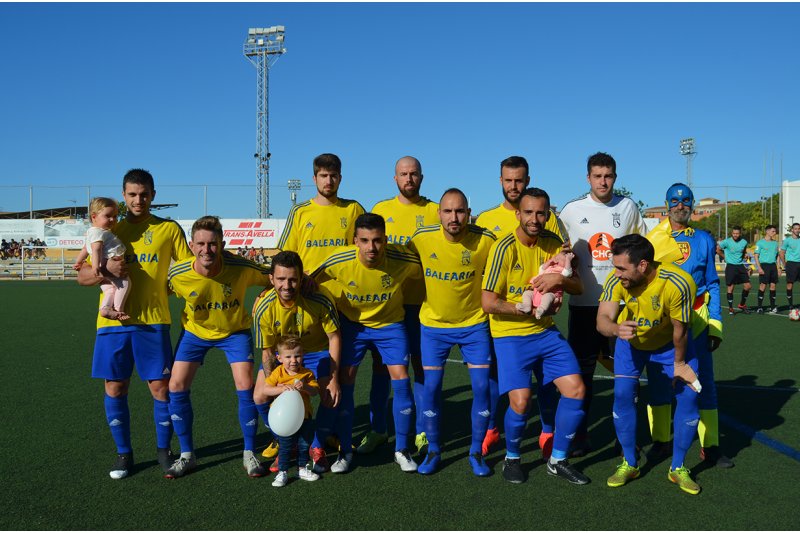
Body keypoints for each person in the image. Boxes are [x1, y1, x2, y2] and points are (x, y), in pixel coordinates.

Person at [77, 168, 192, 479]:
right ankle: (124, 454)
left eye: (144, 194)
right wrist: (105, 271)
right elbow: (82, 277)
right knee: (115, 386)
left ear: (153, 195)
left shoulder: (168, 229)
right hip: (112, 325)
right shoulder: (109, 228)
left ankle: (163, 451)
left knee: (160, 388)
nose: (138, 200)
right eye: (132, 194)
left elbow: (185, 271)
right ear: (123, 196)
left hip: (153, 322)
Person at [481, 187, 589, 485]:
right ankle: (512, 457)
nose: (535, 219)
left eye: (541, 213)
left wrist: (558, 280)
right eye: (528, 212)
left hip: (545, 332)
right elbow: (488, 303)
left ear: (548, 215)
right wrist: (524, 310)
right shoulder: (504, 248)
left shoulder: (554, 243)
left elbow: (578, 287)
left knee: (576, 390)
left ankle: (558, 460)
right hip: (510, 334)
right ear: (518, 213)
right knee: (521, 401)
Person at [310, 213, 422, 474]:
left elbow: (429, 275)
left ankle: (402, 449)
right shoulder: (339, 260)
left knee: (401, 378)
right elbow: (308, 281)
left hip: (390, 325)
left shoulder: (404, 259)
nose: (372, 247)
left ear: (386, 239)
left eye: (377, 240)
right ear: (355, 241)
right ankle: (345, 451)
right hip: (353, 326)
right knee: (345, 379)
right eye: (365, 241)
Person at [164, 216, 272, 478]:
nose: (207, 250)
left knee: (245, 385)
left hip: (234, 332)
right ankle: (187, 455)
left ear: (222, 245)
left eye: (212, 244)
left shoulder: (240, 266)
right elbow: (157, 290)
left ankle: (249, 453)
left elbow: (272, 277)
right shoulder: (178, 273)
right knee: (175, 386)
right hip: (195, 333)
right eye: (201, 244)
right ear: (191, 246)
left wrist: (266, 295)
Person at [475, 156, 566, 458]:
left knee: (546, 379)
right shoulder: (486, 219)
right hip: (499, 316)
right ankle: (492, 429)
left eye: (519, 180)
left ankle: (547, 431)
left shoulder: (546, 219)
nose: (513, 186)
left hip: (539, 318)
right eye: (508, 180)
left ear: (527, 181)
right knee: (494, 377)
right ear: (500, 181)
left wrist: (557, 289)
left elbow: (561, 255)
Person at [557, 152, 648, 456]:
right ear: (588, 178)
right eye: (597, 176)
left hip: (620, 307)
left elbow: (642, 249)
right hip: (583, 306)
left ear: (615, 177)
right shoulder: (571, 211)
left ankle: (627, 438)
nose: (603, 182)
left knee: (626, 377)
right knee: (581, 376)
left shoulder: (628, 207)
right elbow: (559, 249)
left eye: (608, 176)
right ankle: (579, 436)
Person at [597, 234, 703, 495]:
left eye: (622, 268)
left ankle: (678, 468)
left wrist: (679, 363)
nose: (616, 273)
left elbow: (680, 330)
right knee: (623, 395)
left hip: (671, 346)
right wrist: (616, 329)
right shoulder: (616, 279)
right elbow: (602, 319)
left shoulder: (678, 282)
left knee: (689, 397)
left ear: (643, 265)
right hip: (631, 345)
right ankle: (629, 463)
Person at [405, 188, 496, 476]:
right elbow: (396, 261)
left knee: (481, 387)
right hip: (434, 327)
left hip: (474, 326)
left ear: (468, 213)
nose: (454, 217)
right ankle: (433, 450)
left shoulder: (486, 240)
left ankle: (476, 451)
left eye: (459, 211)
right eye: (448, 211)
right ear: (439, 213)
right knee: (431, 388)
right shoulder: (420, 238)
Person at [646, 183, 733, 468]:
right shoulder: (653, 238)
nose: (680, 205)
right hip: (662, 323)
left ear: (693, 205)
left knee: (704, 384)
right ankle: (661, 441)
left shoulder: (704, 239)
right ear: (666, 204)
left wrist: (715, 325)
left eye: (685, 201)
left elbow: (712, 284)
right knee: (659, 382)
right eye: (674, 201)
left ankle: (711, 446)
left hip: (696, 321)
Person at [368, 156, 440, 456]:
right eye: (403, 174)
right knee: (382, 369)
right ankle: (378, 430)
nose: (408, 179)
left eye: (413, 174)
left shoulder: (436, 210)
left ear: (421, 177)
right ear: (395, 178)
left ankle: (422, 431)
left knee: (420, 368)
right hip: (388, 307)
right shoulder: (381, 210)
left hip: (423, 305)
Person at [252, 250, 341, 475]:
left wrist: (333, 378)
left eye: (293, 279)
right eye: (281, 279)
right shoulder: (263, 306)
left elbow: (334, 338)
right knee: (260, 395)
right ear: (271, 278)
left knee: (330, 394)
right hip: (284, 357)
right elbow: (267, 352)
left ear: (302, 278)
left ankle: (317, 444)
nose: (287, 285)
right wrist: (276, 385)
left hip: (317, 352)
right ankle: (283, 439)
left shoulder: (320, 297)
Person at [277, 153, 366, 273]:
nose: (328, 181)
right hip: (308, 283)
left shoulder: (354, 208)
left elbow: (367, 246)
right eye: (323, 176)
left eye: (333, 176)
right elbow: (286, 254)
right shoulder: (299, 211)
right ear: (315, 179)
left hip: (344, 283)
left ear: (340, 178)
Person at [263, 335, 321, 487]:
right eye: (288, 357)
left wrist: (305, 387)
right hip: (284, 420)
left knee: (304, 444)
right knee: (285, 447)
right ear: (279, 358)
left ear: (303, 355)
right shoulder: (278, 372)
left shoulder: (307, 374)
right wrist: (281, 388)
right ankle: (282, 472)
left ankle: (302, 468)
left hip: (305, 416)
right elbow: (266, 389)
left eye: (297, 355)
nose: (293, 360)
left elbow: (315, 392)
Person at [73, 197, 131, 320]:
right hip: (109, 264)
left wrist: (78, 261)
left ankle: (105, 309)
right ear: (94, 217)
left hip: (103, 269)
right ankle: (119, 310)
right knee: (125, 284)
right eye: (108, 216)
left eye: (115, 216)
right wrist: (96, 267)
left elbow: (85, 248)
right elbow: (96, 250)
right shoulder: (98, 232)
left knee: (109, 290)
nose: (112, 219)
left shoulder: (92, 232)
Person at [716, 226, 751, 314]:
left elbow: (744, 252)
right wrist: (725, 257)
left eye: (737, 233)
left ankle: (742, 304)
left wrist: (746, 263)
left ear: (740, 234)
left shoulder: (744, 242)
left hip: (740, 266)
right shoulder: (726, 242)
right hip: (731, 266)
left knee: (748, 286)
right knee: (731, 287)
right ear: (732, 233)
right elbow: (718, 250)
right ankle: (731, 308)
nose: (735, 235)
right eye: (734, 233)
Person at [754, 225, 781, 314]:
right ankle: (759, 307)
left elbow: (777, 257)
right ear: (767, 231)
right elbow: (756, 256)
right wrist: (759, 268)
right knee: (763, 286)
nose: (775, 233)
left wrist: (779, 268)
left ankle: (772, 307)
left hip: (773, 266)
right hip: (764, 266)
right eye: (773, 231)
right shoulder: (760, 243)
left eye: (775, 231)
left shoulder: (775, 243)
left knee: (773, 286)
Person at [779, 222, 800, 310]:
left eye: (799, 229)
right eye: (795, 229)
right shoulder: (787, 240)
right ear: (792, 230)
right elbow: (781, 253)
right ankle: (790, 305)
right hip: (791, 264)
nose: (797, 230)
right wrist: (784, 264)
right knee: (790, 284)